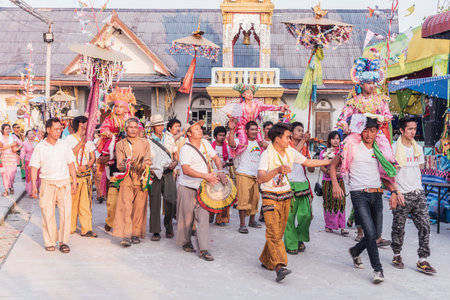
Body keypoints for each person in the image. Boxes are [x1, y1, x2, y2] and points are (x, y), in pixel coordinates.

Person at [330, 117, 403, 284]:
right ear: (360, 130)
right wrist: (336, 185)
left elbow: (384, 176)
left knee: (376, 234)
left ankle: (355, 251)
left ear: (377, 132)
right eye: (366, 130)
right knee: (370, 233)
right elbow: (333, 166)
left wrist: (394, 192)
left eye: (372, 130)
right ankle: (378, 270)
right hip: (359, 194)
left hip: (377, 195)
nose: (369, 134)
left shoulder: (379, 149)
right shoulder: (352, 147)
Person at [257, 123, 331, 282]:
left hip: (285, 196)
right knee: (273, 232)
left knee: (278, 232)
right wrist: (277, 170)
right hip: (270, 196)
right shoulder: (266, 155)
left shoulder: (290, 152)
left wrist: (329, 161)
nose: (290, 139)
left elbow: (309, 163)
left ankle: (266, 258)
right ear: (277, 139)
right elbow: (260, 178)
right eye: (287, 137)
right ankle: (279, 266)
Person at [337, 57, 396, 181]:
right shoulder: (354, 101)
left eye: (374, 83)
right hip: (358, 132)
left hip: (377, 132)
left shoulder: (381, 100)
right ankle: (346, 172)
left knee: (389, 156)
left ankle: (384, 177)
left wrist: (382, 118)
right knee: (347, 146)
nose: (372, 86)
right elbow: (341, 119)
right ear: (361, 84)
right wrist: (346, 127)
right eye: (369, 83)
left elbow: (388, 116)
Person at [391, 116, 436, 274]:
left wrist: (418, 187)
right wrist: (395, 192)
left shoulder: (418, 148)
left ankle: (423, 259)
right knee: (399, 227)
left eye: (414, 129)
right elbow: (390, 174)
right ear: (401, 130)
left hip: (418, 192)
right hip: (402, 193)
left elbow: (419, 169)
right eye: (409, 129)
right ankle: (397, 254)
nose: (413, 132)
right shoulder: (394, 148)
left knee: (425, 225)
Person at [176, 120, 227, 261]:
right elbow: (186, 170)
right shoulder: (185, 149)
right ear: (189, 134)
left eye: (200, 128)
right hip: (187, 186)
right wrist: (205, 176)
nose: (200, 130)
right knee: (187, 217)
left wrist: (221, 170)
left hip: (203, 187)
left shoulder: (205, 144)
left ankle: (203, 249)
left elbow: (216, 158)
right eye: (196, 129)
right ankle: (186, 241)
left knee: (203, 217)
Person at [29, 118, 77, 253]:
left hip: (64, 183)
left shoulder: (64, 145)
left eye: (60, 128)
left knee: (66, 213)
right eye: (55, 129)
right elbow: (33, 167)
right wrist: (34, 185)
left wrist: (74, 181)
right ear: (48, 130)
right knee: (47, 213)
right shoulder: (40, 147)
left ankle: (63, 241)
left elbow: (71, 163)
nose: (59, 131)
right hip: (47, 183)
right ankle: (50, 241)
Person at [113, 118, 151, 247]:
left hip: (141, 179)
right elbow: (119, 164)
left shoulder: (145, 143)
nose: (133, 130)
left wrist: (140, 165)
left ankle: (136, 233)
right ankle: (126, 235)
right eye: (130, 127)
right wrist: (127, 163)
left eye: (135, 127)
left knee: (139, 207)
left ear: (139, 128)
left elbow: (148, 160)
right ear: (126, 129)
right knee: (125, 207)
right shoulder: (120, 144)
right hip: (126, 180)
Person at [230, 83, 288, 158]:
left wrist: (280, 108)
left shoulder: (257, 105)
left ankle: (264, 156)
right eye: (247, 92)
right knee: (243, 143)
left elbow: (268, 107)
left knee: (260, 142)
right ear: (243, 95)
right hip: (243, 127)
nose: (250, 94)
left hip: (254, 127)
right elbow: (234, 119)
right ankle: (236, 155)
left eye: (251, 93)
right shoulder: (240, 106)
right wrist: (231, 119)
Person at [284, 122, 316, 254]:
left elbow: (312, 170)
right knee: (289, 217)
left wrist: (309, 161)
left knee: (306, 215)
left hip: (302, 183)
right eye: (298, 130)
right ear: (291, 133)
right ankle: (291, 244)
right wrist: (303, 141)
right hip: (289, 183)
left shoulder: (305, 148)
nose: (301, 133)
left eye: (302, 130)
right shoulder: (286, 145)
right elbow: (292, 156)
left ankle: (298, 237)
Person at [228, 120, 262, 234]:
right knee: (243, 200)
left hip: (255, 176)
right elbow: (232, 144)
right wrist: (232, 130)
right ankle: (242, 224)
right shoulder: (242, 141)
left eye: (255, 129)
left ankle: (252, 221)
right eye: (251, 129)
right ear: (246, 131)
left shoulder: (258, 143)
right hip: (243, 174)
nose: (254, 131)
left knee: (255, 199)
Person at [65, 116, 97, 238]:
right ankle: (70, 227)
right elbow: (70, 153)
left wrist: (87, 166)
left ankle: (86, 228)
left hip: (86, 175)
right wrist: (81, 143)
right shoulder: (69, 139)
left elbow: (93, 157)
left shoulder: (89, 140)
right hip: (74, 176)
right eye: (85, 123)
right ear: (80, 124)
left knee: (86, 202)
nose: (87, 126)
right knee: (72, 202)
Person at [148, 114, 178, 241]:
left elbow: (175, 154)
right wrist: (150, 171)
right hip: (154, 174)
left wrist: (175, 162)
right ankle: (155, 231)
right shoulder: (147, 141)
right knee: (155, 203)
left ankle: (169, 225)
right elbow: (146, 158)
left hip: (168, 172)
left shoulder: (170, 139)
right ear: (153, 127)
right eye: (157, 125)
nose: (160, 127)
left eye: (161, 125)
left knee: (171, 200)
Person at [320, 130, 349, 236]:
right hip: (327, 181)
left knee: (341, 202)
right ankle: (329, 225)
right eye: (333, 138)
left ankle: (342, 226)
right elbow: (321, 167)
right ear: (329, 140)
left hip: (340, 181)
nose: (336, 141)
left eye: (338, 138)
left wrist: (340, 173)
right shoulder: (324, 152)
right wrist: (330, 172)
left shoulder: (342, 151)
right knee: (328, 202)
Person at [211, 126, 232, 226]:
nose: (222, 137)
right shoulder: (211, 147)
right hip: (213, 175)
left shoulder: (227, 147)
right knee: (212, 197)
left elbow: (232, 161)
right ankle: (211, 215)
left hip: (224, 174)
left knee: (224, 198)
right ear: (215, 136)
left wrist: (226, 163)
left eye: (224, 135)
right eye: (220, 135)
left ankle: (221, 219)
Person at [1, 124, 21, 196]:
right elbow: (1, 148)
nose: (8, 130)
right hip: (4, 158)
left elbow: (20, 143)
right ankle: (6, 190)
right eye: (6, 129)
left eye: (9, 129)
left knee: (12, 173)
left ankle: (11, 185)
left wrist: (18, 149)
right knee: (4, 174)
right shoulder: (1, 138)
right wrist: (11, 145)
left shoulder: (13, 137)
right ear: (2, 130)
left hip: (12, 158)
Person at [20, 130, 40, 196]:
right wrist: (22, 163)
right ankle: (30, 191)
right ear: (27, 136)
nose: (32, 135)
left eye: (32, 134)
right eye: (30, 134)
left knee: (37, 176)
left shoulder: (37, 143)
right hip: (28, 162)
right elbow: (22, 154)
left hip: (37, 162)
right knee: (29, 177)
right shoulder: (25, 143)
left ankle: (35, 189)